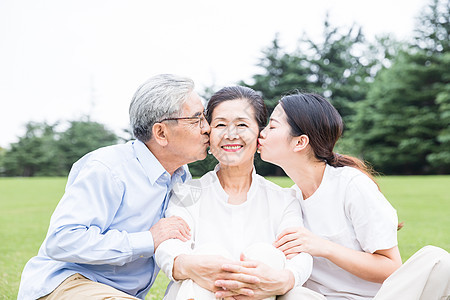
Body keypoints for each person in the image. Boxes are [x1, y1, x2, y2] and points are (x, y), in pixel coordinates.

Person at [18, 74, 211, 300]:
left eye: (204, 117)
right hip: (70, 282)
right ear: (161, 133)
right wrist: (148, 239)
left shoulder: (180, 175)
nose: (207, 127)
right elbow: (62, 240)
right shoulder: (108, 169)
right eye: (196, 119)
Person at [253, 92, 450, 300]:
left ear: (300, 142)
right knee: (292, 295)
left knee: (436, 259)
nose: (261, 133)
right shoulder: (287, 200)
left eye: (272, 126)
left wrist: (323, 247)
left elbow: (391, 267)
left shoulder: (351, 185)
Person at [155, 86, 319, 300]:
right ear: (209, 133)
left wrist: (285, 279)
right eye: (221, 124)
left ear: (260, 134)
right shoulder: (188, 193)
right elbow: (170, 245)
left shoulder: (283, 199)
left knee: (275, 266)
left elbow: (299, 254)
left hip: (263, 294)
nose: (231, 135)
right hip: (204, 292)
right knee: (206, 258)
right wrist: (194, 266)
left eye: (242, 125)